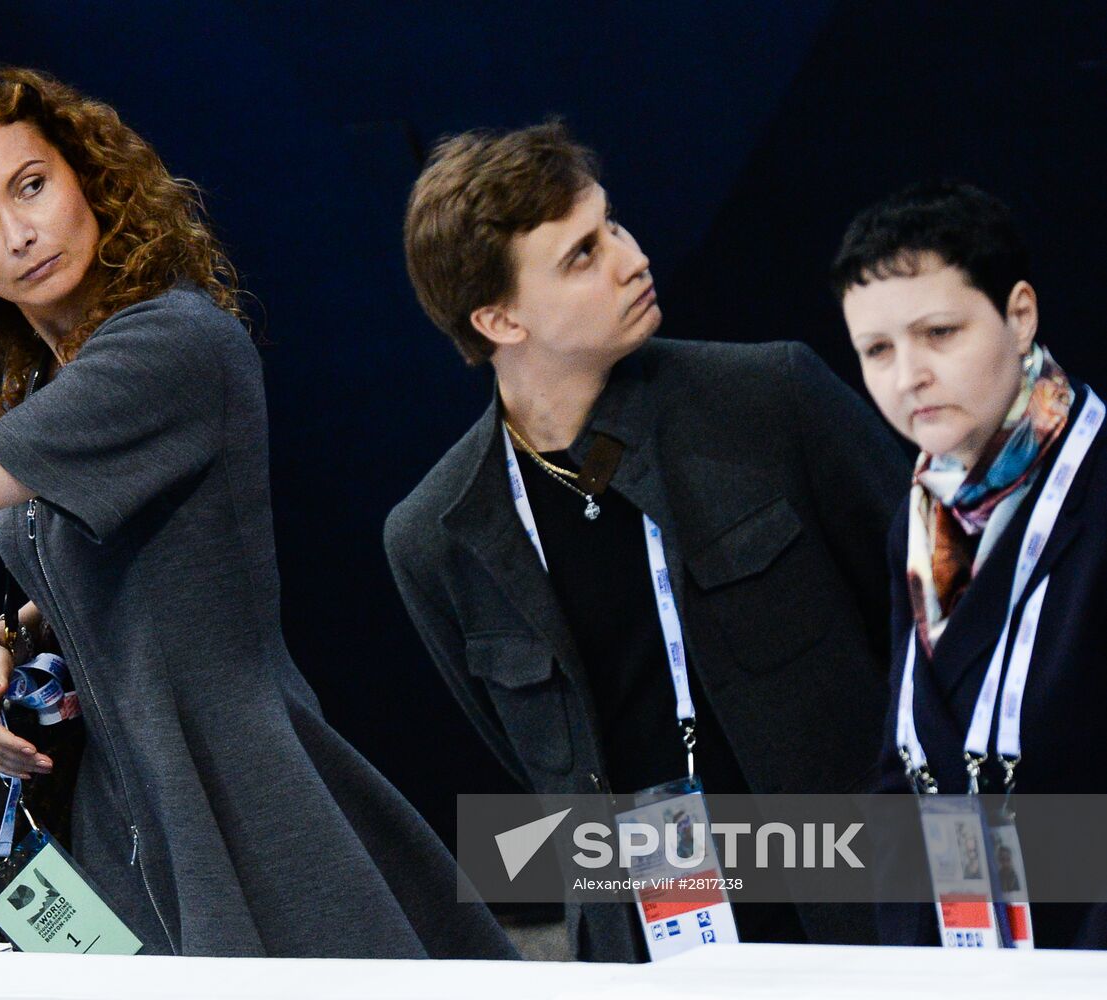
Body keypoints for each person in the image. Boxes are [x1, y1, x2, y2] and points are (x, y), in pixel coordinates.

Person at [0, 65, 517, 959]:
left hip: (233, 796)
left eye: (31, 185)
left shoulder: (166, 344)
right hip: (122, 809)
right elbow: (131, 572)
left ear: (87, 177)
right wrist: (7, 639)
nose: (21, 233)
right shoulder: (48, 379)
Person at [384, 122, 908, 962]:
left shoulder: (771, 399)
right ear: (498, 318)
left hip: (866, 913)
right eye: (582, 254)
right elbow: (539, 774)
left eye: (612, 225)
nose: (631, 257)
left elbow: (935, 631)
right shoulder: (436, 537)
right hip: (655, 945)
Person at [835, 180, 1107, 948]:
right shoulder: (919, 517)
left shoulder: (1091, 485)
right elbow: (906, 771)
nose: (907, 374)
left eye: (939, 333)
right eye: (876, 350)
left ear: (1018, 315)